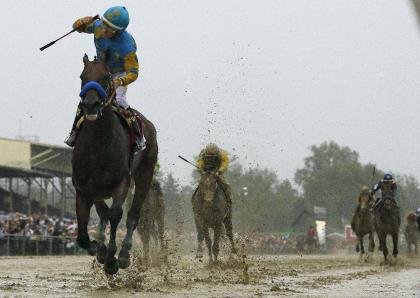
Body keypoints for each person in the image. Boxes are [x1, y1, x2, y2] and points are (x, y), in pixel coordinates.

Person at [64, 6, 144, 152]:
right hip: (102, 69)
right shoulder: (97, 26)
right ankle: (74, 132)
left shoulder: (128, 46)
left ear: (119, 32)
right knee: (87, 97)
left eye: (109, 29)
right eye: (104, 26)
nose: (104, 31)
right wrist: (83, 21)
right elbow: (76, 27)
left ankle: (138, 136)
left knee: (120, 100)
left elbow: (134, 72)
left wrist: (120, 81)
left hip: (119, 74)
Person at [196, 143, 232, 216]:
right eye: (208, 156)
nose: (210, 158)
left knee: (226, 185)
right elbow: (199, 162)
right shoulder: (202, 153)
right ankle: (195, 203)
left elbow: (225, 164)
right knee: (200, 184)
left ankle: (228, 204)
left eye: (212, 156)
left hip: (217, 172)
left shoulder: (223, 154)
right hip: (206, 172)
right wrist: (201, 170)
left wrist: (219, 171)